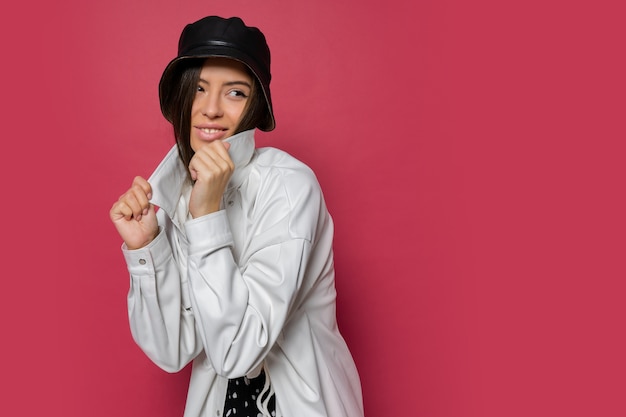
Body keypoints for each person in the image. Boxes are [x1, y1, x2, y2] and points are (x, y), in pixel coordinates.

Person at [109, 15, 364, 417]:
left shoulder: (289, 186)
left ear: (255, 108)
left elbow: (238, 352)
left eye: (235, 93)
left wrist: (207, 215)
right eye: (198, 89)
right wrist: (147, 251)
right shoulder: (179, 193)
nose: (210, 110)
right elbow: (173, 349)